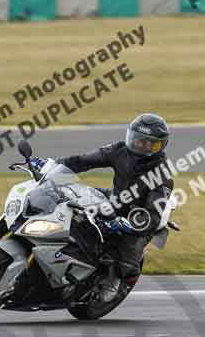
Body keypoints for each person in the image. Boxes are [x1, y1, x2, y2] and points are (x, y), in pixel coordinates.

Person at [30, 113, 174, 299]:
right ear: (130, 137)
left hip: (137, 217)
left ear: (161, 146)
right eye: (139, 141)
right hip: (113, 199)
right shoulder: (119, 150)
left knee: (126, 265)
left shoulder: (163, 175)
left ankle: (115, 283)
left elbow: (152, 215)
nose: (143, 146)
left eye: (151, 144)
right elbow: (84, 160)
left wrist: (130, 224)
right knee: (68, 196)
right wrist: (54, 165)